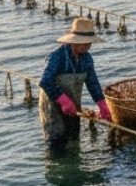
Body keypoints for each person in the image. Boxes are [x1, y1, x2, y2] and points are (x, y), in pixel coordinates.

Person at [39, 17, 110, 152]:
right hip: (53, 105)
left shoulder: (87, 59)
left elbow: (92, 82)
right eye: (83, 43)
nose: (87, 46)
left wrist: (101, 104)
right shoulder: (58, 57)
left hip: (73, 105)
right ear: (73, 41)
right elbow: (45, 81)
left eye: (89, 43)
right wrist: (63, 100)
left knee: (73, 139)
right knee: (56, 142)